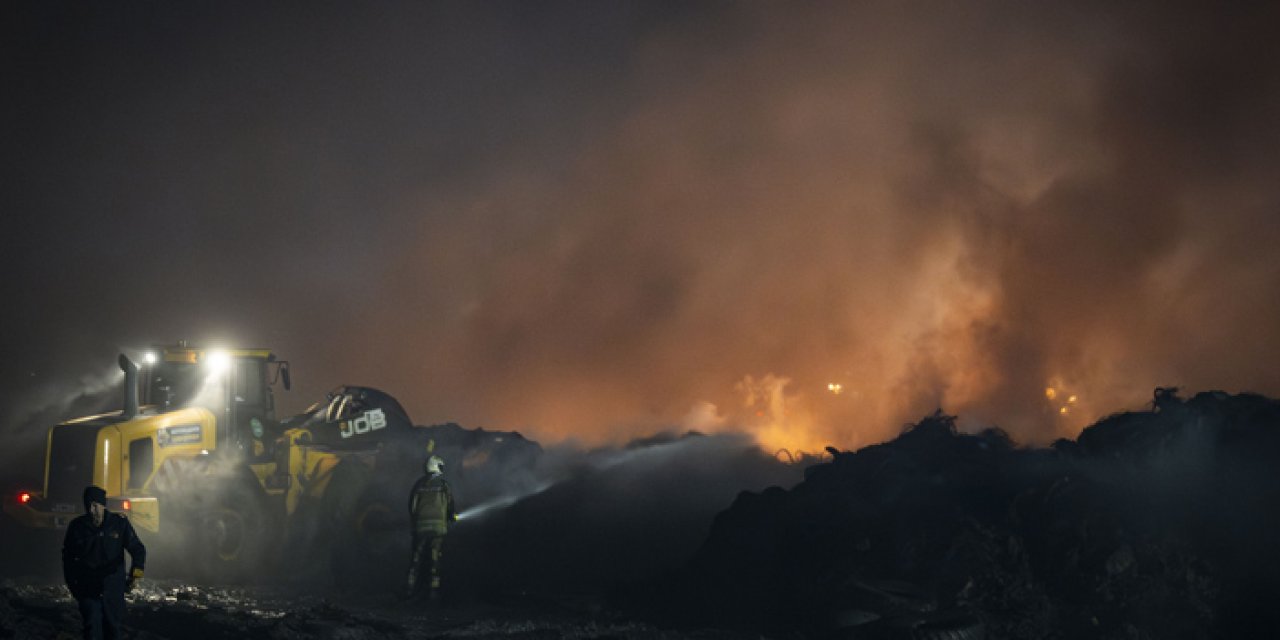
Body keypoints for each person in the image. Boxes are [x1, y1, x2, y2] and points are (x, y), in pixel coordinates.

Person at [62, 485, 146, 640]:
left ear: (103, 505)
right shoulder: (77, 527)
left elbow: (138, 550)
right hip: (88, 589)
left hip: (112, 589)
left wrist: (136, 575)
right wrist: (73, 586)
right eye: (88, 505)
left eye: (95, 505)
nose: (91, 510)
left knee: (113, 630)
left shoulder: (119, 524)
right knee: (92, 630)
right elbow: (67, 558)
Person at [405, 454, 456, 600]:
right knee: (435, 559)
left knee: (416, 559)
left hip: (420, 528)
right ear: (436, 466)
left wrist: (415, 523)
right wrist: (451, 517)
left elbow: (412, 507)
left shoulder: (419, 484)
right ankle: (434, 591)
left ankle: (409, 589)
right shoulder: (444, 484)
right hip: (438, 529)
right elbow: (450, 505)